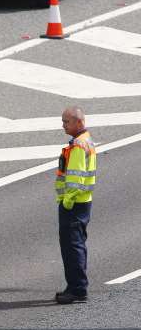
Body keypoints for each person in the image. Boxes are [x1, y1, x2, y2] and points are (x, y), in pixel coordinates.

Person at [55, 106, 96, 304]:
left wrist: (67, 202)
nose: (63, 125)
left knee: (72, 248)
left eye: (66, 122)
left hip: (74, 205)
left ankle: (78, 289)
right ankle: (74, 286)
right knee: (75, 246)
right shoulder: (83, 141)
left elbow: (76, 179)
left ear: (79, 122)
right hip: (81, 203)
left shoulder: (79, 145)